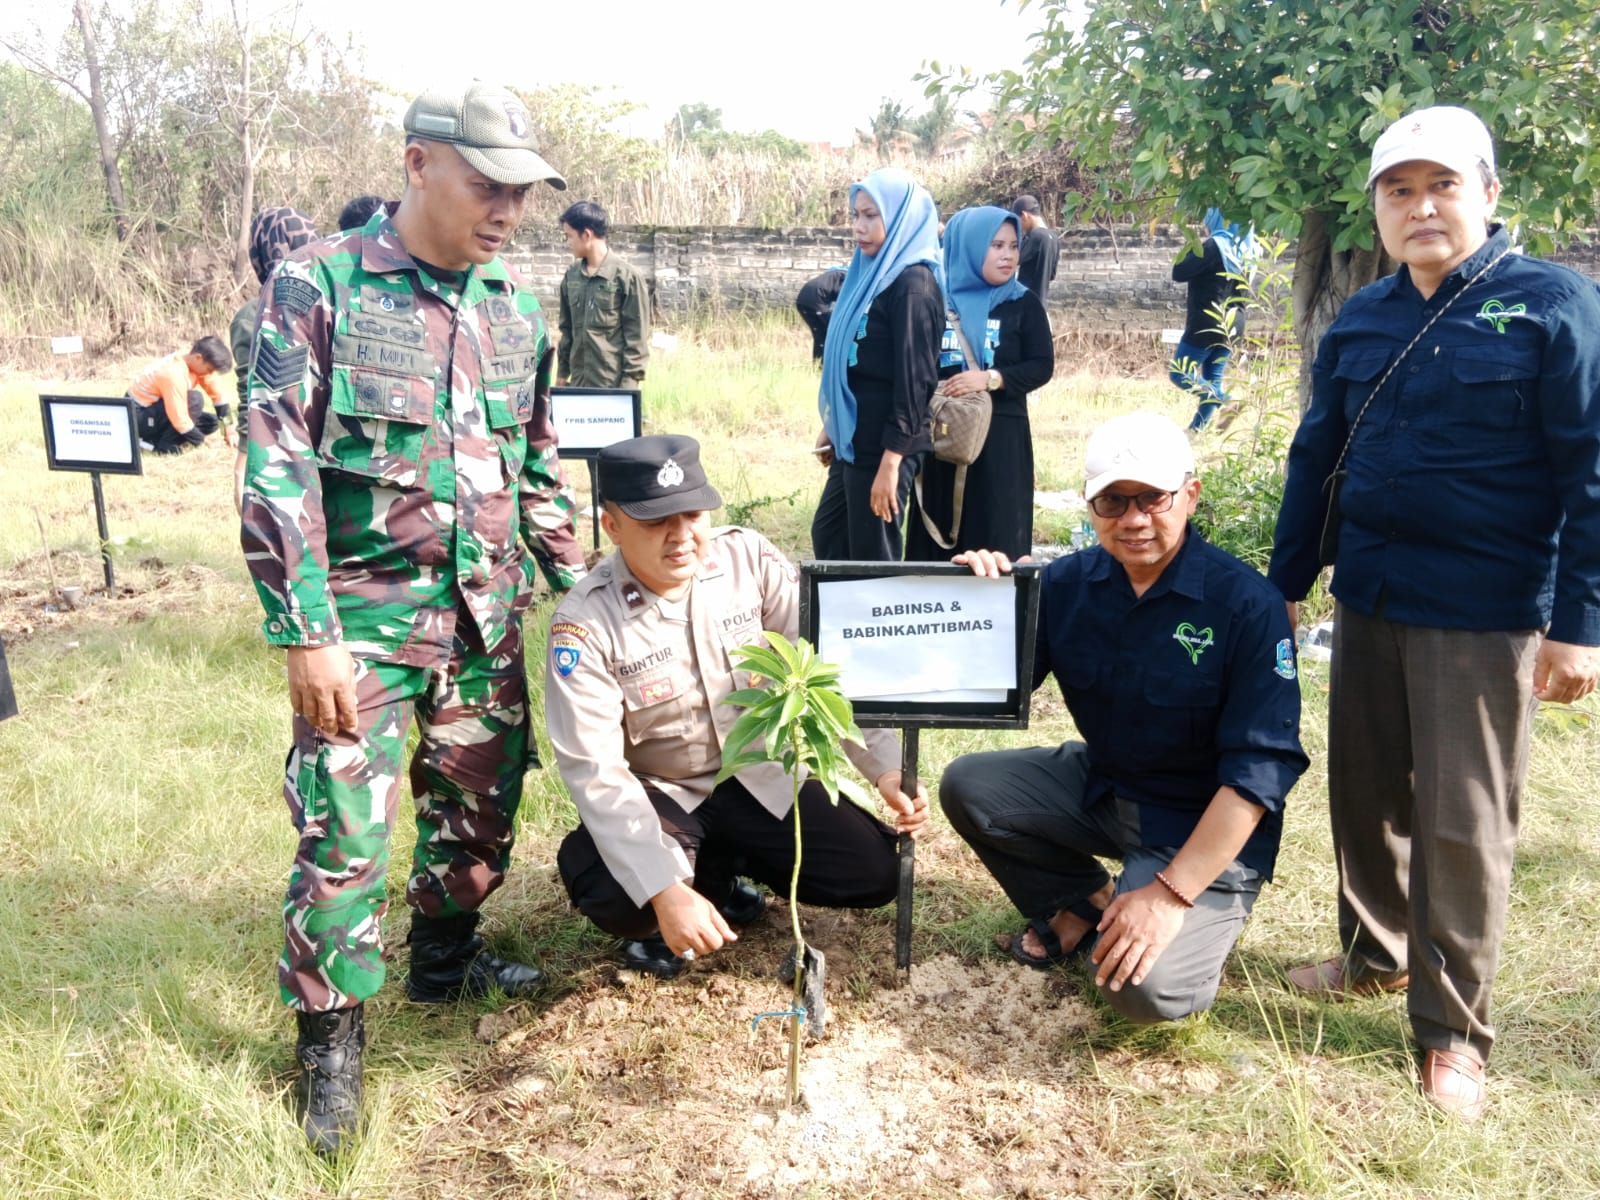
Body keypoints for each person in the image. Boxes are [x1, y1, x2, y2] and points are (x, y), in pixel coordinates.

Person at [240, 81, 585, 1155]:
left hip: (485, 618)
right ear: (417, 164)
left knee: (479, 816)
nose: (506, 211)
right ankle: (331, 1040)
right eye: (486, 185)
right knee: (343, 834)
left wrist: (586, 587)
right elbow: (275, 466)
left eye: (521, 194)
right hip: (365, 626)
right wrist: (304, 631)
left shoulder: (515, 310)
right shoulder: (317, 289)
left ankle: (446, 959)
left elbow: (536, 465)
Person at [1268, 106, 1600, 1120]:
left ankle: (1452, 1031)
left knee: (1462, 822)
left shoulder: (1553, 305)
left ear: (1490, 196)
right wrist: (1285, 578)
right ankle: (1375, 953)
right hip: (1368, 593)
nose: (1420, 207)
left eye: (1442, 185)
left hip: (1485, 609)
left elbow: (1590, 473)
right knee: (1363, 790)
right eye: (1399, 190)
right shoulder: (1365, 317)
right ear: (1376, 207)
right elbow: (1315, 455)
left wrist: (1580, 624)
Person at [941, 411, 1307, 1025]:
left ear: (1188, 495)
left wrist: (1168, 895)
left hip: (1200, 824)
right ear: (1089, 506)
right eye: (1113, 501)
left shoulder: (1246, 606)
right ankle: (1085, 903)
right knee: (971, 786)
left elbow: (1258, 773)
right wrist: (977, 602)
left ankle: (1192, 906)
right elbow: (987, 688)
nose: (1133, 520)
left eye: (1152, 499)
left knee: (1141, 991)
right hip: (1110, 788)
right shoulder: (1067, 584)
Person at [546, 434, 930, 978]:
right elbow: (596, 771)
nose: (681, 537)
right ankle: (693, 887)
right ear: (612, 526)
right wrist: (663, 889)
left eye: (692, 514)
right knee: (618, 892)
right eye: (657, 522)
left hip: (757, 775)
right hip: (666, 793)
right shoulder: (585, 623)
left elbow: (825, 666)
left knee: (874, 875)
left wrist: (885, 767)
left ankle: (724, 871)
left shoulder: (745, 559)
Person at [906, 205, 1055, 560]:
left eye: (1013, 246)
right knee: (939, 534)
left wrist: (991, 378)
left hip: (1000, 439)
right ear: (969, 246)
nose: (1008, 256)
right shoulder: (934, 301)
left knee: (996, 534)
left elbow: (1041, 365)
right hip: (942, 436)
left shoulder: (1022, 303)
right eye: (996, 246)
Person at [812, 167, 944, 561]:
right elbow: (855, 361)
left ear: (901, 217)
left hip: (885, 445)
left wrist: (892, 463)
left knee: (872, 557)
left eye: (872, 215)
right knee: (831, 536)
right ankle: (832, 624)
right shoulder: (870, 275)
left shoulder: (913, 286)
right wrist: (833, 424)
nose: (859, 226)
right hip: (855, 438)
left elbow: (915, 382)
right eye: (856, 215)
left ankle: (870, 624)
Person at [230, 206, 320, 510]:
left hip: (278, 448)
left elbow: (251, 393)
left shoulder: (252, 316)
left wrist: (243, 460)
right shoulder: (339, 300)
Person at [1170, 208, 1252, 431]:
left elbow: (1178, 272)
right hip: (1235, 324)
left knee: (1179, 373)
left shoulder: (1214, 246)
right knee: (1212, 378)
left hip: (1207, 322)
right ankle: (1196, 430)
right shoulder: (1247, 250)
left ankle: (1226, 400)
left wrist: (1191, 243)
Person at [556, 199, 651, 389]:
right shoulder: (572, 277)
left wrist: (628, 390)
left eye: (569, 236)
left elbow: (637, 339)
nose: (568, 243)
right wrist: (562, 374)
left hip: (613, 387)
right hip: (578, 385)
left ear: (586, 235)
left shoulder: (627, 277)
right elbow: (567, 331)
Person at [128, 337, 234, 454]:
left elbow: (219, 397)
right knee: (194, 400)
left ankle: (157, 438)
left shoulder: (195, 363)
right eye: (209, 370)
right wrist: (202, 441)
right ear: (198, 358)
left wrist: (228, 430)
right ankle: (164, 446)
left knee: (211, 422)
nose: (210, 374)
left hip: (158, 411)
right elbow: (179, 418)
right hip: (138, 416)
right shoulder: (173, 373)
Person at [1011, 195, 1059, 299]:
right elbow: (1052, 275)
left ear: (1024, 215)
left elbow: (1013, 259)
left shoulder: (1034, 236)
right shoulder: (1054, 237)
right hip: (1041, 303)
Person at [795, 266, 846, 363]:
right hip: (817, 301)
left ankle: (818, 364)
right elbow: (845, 297)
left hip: (801, 301)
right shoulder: (848, 276)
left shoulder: (835, 272)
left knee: (820, 334)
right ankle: (827, 364)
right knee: (832, 333)